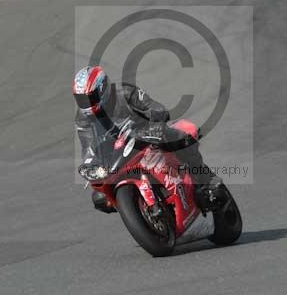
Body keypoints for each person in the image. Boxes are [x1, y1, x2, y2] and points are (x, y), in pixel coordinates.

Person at [73, 65, 224, 213]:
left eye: (89, 97)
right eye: (81, 99)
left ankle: (207, 180)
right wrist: (90, 164)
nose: (86, 103)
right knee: (99, 199)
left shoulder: (124, 92)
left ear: (102, 89)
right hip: (116, 155)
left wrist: (156, 122)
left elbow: (154, 107)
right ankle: (139, 210)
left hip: (146, 135)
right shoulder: (83, 118)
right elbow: (88, 147)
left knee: (178, 138)